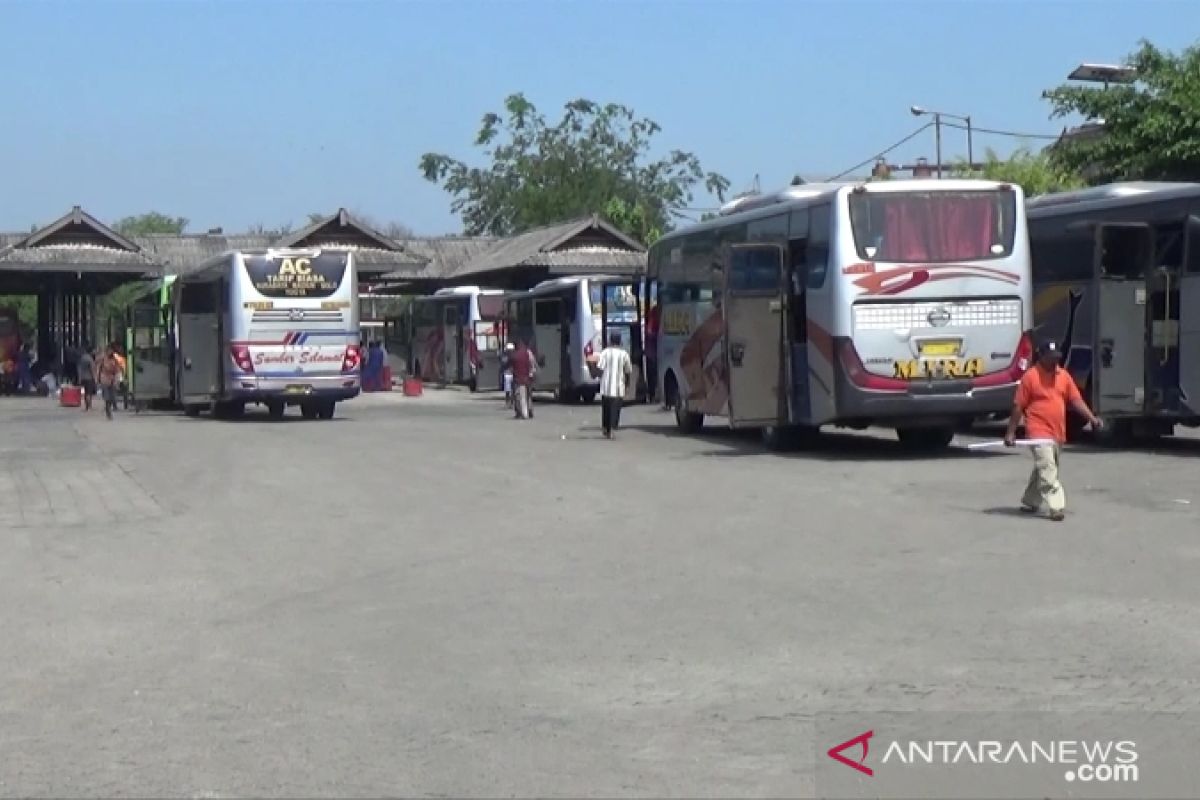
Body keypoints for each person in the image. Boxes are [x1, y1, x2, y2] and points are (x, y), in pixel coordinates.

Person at [1003, 339, 1103, 521]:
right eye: (1050, 357)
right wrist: (1011, 432)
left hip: (1057, 433)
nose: (1054, 361)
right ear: (1041, 357)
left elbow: (1076, 400)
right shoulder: (1031, 377)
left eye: (1056, 357)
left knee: (1045, 467)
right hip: (1038, 432)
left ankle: (1031, 500)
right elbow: (1018, 406)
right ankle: (1056, 506)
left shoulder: (1063, 376)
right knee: (1048, 468)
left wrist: (1092, 419)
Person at [593, 331, 633, 439]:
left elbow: (600, 369)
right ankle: (611, 429)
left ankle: (606, 428)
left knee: (606, 408)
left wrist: (596, 374)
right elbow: (628, 371)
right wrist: (627, 384)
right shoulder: (624, 354)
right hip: (618, 387)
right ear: (620, 341)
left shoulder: (605, 353)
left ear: (610, 340)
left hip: (606, 386)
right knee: (615, 409)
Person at [510, 339, 537, 420]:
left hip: (520, 378)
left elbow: (513, 366)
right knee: (528, 395)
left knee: (520, 396)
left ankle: (523, 413)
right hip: (528, 377)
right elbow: (532, 363)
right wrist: (531, 373)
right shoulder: (528, 352)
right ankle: (530, 411)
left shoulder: (516, 354)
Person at [96, 345, 123, 420]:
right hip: (104, 379)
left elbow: (118, 370)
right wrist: (97, 379)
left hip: (113, 379)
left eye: (111, 351)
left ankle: (110, 408)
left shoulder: (115, 359)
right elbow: (98, 369)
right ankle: (108, 412)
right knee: (107, 397)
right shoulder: (102, 359)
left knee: (112, 397)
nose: (110, 352)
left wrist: (117, 380)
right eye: (109, 351)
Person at [77, 345, 97, 412]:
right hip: (89, 378)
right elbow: (92, 369)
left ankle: (87, 407)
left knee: (86, 392)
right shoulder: (90, 359)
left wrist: (79, 378)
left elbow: (79, 368)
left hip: (83, 377)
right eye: (94, 350)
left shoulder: (82, 357)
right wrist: (95, 378)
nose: (95, 352)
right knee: (89, 393)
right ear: (91, 351)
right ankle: (89, 407)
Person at [500, 342, 515, 408]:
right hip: (508, 374)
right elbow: (503, 363)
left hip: (511, 374)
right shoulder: (506, 356)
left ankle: (511, 402)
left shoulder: (513, 356)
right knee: (508, 390)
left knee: (512, 390)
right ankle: (508, 402)